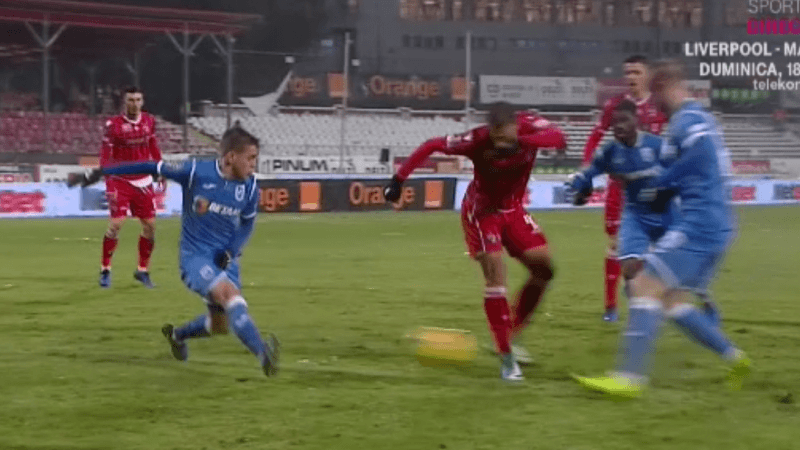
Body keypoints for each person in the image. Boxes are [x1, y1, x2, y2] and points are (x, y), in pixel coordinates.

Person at [572, 59, 750, 398]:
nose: (653, 103)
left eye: (655, 93)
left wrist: (663, 182)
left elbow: (699, 155)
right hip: (715, 224)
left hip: (699, 223)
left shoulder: (688, 119)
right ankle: (735, 357)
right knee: (671, 301)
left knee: (642, 285)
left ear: (667, 86)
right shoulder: (698, 119)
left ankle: (629, 378)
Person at [68, 126, 280, 377]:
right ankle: (263, 353)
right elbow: (149, 166)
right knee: (230, 296)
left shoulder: (250, 187)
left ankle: (178, 336)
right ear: (231, 157)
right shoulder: (195, 172)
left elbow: (247, 224)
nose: (254, 164)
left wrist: (232, 251)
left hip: (225, 259)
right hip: (195, 257)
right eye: (250, 158)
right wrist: (102, 172)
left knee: (219, 325)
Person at [384, 102, 567, 381]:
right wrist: (398, 180)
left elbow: (558, 138)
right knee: (496, 275)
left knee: (544, 269)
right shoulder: (476, 139)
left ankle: (511, 335)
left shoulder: (529, 127)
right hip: (482, 213)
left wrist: (522, 142)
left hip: (513, 210)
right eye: (496, 140)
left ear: (515, 127)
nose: (500, 146)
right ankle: (507, 361)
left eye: (506, 139)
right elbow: (432, 145)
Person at [582, 55, 668, 322]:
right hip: (621, 185)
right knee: (614, 244)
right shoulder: (615, 105)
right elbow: (596, 135)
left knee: (659, 244)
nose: (631, 77)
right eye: (628, 72)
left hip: (653, 186)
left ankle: (643, 292)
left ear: (648, 75)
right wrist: (587, 170)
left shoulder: (660, 105)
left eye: (636, 72)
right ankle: (611, 306)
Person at [568, 100, 676, 300]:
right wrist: (580, 188)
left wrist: (667, 191)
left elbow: (681, 172)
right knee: (629, 268)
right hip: (636, 215)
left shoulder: (657, 146)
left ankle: (695, 300)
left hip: (666, 213)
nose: (618, 126)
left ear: (636, 120)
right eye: (615, 122)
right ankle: (640, 305)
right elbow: (589, 172)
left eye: (624, 120)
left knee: (678, 272)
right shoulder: (610, 152)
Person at [98, 86, 163, 289]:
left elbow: (153, 146)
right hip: (121, 180)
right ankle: (105, 269)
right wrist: (109, 183)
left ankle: (142, 270)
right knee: (116, 224)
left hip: (144, 180)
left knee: (150, 226)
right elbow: (105, 156)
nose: (134, 104)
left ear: (142, 102)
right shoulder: (114, 125)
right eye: (130, 100)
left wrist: (160, 169)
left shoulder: (149, 121)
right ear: (124, 102)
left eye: (137, 100)